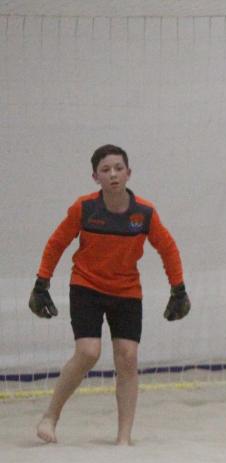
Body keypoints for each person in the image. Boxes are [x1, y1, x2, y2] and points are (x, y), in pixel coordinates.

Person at [28, 144, 190, 446]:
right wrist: (41, 283)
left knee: (127, 358)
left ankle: (123, 438)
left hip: (127, 290)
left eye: (118, 168)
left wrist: (178, 289)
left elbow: (168, 248)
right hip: (86, 286)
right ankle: (50, 416)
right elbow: (57, 242)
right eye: (105, 170)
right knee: (88, 352)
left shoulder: (145, 213)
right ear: (95, 177)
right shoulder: (84, 208)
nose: (113, 174)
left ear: (129, 173)